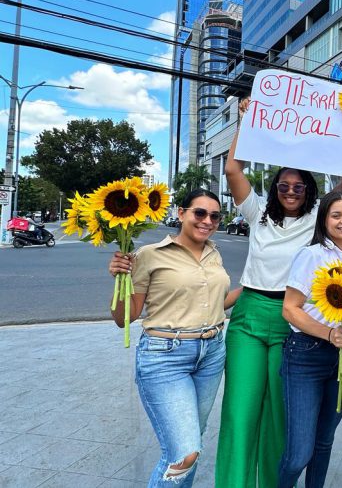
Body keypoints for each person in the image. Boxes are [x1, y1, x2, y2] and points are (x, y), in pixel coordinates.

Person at [217, 98, 342, 487]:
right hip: (248, 317)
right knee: (240, 411)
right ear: (274, 189)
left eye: (298, 186)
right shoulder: (256, 212)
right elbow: (232, 168)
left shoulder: (317, 220)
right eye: (283, 186)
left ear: (309, 190)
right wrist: (247, 120)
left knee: (281, 417)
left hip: (292, 322)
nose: (290, 191)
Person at [108, 189, 241, 487]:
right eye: (200, 213)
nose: (207, 220)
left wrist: (255, 289)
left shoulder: (214, 253)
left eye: (215, 216)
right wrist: (119, 280)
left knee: (193, 440)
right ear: (181, 213)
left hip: (212, 353)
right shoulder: (149, 255)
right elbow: (123, 318)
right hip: (165, 355)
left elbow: (215, 304)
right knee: (184, 451)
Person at [278, 191, 342, 488]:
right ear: (323, 220)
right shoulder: (311, 255)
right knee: (299, 453)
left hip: (341, 357)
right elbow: (289, 308)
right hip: (306, 356)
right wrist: (329, 333)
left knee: (325, 442)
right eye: (336, 215)